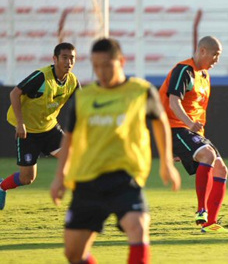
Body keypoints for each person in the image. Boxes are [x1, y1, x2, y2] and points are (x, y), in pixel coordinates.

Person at [49, 38, 181, 263]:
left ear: (121, 61)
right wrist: (60, 176)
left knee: (138, 226)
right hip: (87, 180)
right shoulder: (83, 98)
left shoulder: (140, 91)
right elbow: (69, 138)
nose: (101, 71)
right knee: (73, 253)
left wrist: (166, 163)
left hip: (125, 178)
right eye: (96, 66)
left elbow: (160, 122)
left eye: (107, 65)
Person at [159, 36, 228, 233]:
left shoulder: (204, 75)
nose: (217, 59)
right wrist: (189, 127)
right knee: (208, 154)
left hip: (191, 133)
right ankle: (202, 210)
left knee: (221, 170)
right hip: (176, 128)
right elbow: (174, 101)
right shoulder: (184, 70)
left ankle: (211, 224)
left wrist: (191, 147)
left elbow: (198, 109)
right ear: (203, 51)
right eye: (215, 54)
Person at [0, 43, 80, 210]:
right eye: (64, 58)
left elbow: (83, 104)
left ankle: (83, 203)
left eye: (72, 58)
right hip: (28, 132)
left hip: (50, 129)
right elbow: (14, 93)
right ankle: (1, 186)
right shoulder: (42, 77)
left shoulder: (72, 81)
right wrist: (20, 123)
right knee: (27, 178)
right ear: (55, 59)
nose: (68, 62)